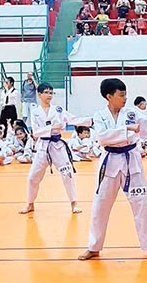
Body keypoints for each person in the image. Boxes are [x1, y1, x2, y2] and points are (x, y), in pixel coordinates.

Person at [79, 78, 147, 261]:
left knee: (142, 204)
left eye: (126, 94)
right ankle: (94, 247)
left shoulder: (133, 113)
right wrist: (127, 129)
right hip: (109, 162)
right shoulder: (99, 116)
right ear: (109, 96)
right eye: (121, 95)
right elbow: (103, 138)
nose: (125, 98)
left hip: (131, 162)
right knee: (100, 205)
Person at [19, 82, 93, 215]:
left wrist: (90, 121)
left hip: (57, 145)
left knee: (67, 173)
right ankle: (30, 203)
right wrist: (52, 128)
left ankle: (74, 203)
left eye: (51, 92)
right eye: (46, 92)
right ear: (39, 94)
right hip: (43, 146)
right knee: (32, 177)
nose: (49, 95)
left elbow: (73, 119)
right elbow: (35, 133)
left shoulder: (58, 110)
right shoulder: (35, 112)